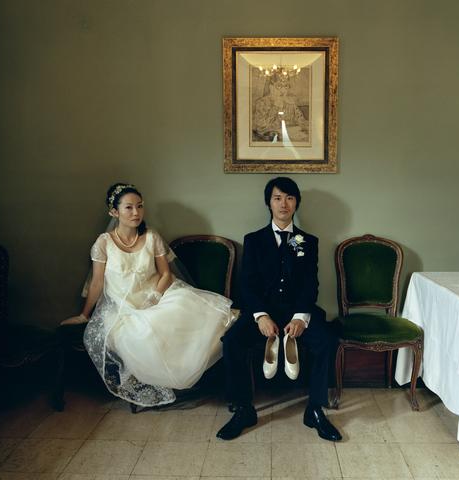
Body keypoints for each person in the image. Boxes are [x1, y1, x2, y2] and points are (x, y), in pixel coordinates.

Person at [61, 183, 235, 407]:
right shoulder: (103, 243)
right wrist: (84, 314)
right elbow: (97, 283)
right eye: (129, 207)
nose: (136, 212)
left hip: (158, 295)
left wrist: (154, 297)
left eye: (140, 206)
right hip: (123, 308)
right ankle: (166, 383)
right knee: (141, 335)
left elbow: (166, 274)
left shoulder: (151, 236)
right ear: (114, 212)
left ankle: (192, 380)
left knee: (198, 317)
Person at [216, 177, 341, 441]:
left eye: (289, 198)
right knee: (232, 341)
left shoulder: (308, 241)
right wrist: (261, 316)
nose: (283, 204)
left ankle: (315, 409)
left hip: (298, 312)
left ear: (296, 203)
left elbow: (311, 284)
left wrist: (301, 318)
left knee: (327, 340)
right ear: (269, 203)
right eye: (277, 198)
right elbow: (247, 285)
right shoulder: (253, 240)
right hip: (262, 313)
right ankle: (243, 409)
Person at [252, 73, 309, 142]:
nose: (283, 90)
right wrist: (275, 107)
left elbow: (301, 121)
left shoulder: (290, 103)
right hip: (270, 139)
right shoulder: (262, 102)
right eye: (279, 86)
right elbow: (260, 127)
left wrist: (305, 127)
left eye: (286, 86)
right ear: (271, 87)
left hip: (291, 136)